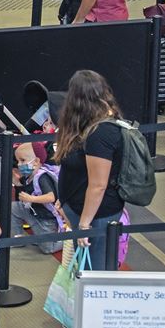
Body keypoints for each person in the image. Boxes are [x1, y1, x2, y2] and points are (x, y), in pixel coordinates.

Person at [54, 70, 128, 271]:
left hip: (97, 217)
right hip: (81, 211)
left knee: (96, 275)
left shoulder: (101, 133)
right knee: (86, 271)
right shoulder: (87, 125)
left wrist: (85, 225)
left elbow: (98, 185)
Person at [10, 143, 64, 254]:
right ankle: (18, 237)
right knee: (13, 208)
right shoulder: (29, 175)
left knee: (48, 249)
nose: (19, 164)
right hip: (33, 212)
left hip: (45, 220)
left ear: (36, 161)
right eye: (18, 161)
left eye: (22, 160)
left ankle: (68, 241)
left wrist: (31, 199)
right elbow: (21, 184)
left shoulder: (42, 177)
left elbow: (51, 197)